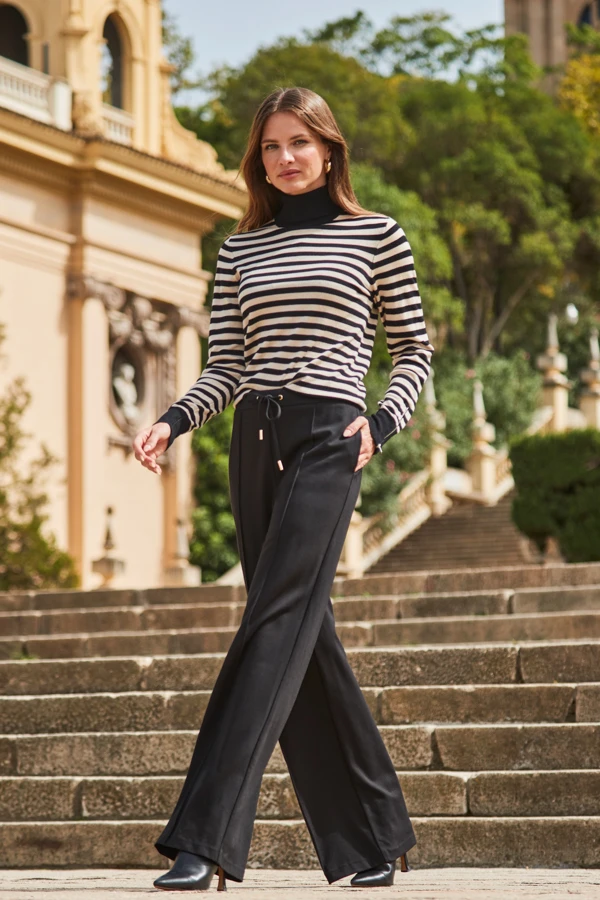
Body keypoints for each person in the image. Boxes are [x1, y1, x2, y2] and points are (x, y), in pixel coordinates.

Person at [133, 86, 434, 892]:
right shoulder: (241, 251)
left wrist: (382, 423)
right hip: (254, 438)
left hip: (331, 438)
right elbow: (228, 364)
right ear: (258, 160)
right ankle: (377, 837)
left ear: (329, 149)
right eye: (271, 146)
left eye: (299, 142)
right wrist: (173, 419)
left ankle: (203, 840)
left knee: (271, 624)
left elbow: (413, 349)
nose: (286, 157)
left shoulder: (377, 235)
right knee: (303, 632)